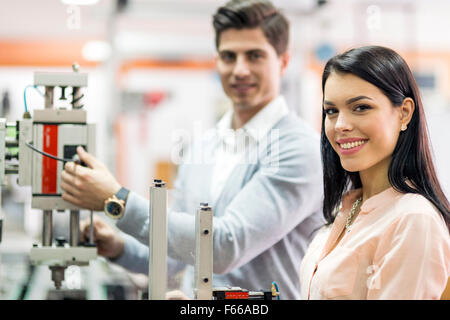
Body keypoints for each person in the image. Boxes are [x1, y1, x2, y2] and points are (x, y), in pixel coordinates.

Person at [61, 0, 324, 299]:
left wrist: (117, 200)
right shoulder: (204, 147)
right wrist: (119, 247)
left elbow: (224, 246)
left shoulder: (300, 149)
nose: (240, 69)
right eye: (228, 56)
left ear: (283, 62)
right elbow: (180, 254)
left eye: (255, 56)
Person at [299, 45, 450, 300]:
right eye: (331, 111)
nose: (341, 126)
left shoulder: (413, 219)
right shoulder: (347, 207)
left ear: (404, 113)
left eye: (360, 108)